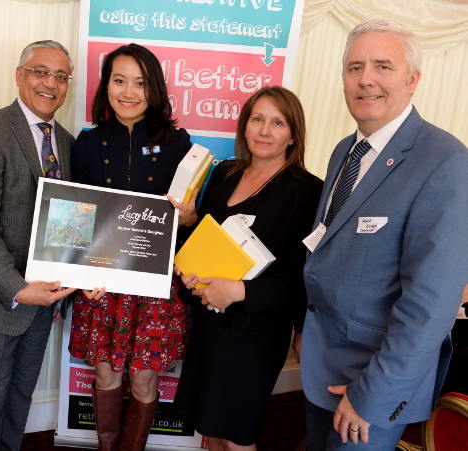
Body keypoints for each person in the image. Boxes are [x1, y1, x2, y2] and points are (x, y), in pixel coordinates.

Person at [300, 19, 468, 450]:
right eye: (354, 67)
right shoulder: (345, 150)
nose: (366, 79)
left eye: (383, 66)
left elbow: (430, 304)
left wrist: (372, 395)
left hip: (371, 389)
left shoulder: (445, 161)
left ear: (413, 80)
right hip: (323, 366)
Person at [171, 86, 322, 450]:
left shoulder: (308, 191)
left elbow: (303, 277)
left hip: (257, 330)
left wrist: (239, 291)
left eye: (277, 123)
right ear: (245, 125)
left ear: (293, 135)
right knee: (210, 426)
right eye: (257, 119)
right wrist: (189, 237)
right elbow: (205, 237)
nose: (265, 131)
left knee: (237, 432)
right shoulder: (225, 173)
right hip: (210, 320)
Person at [69, 43, 191, 451]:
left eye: (140, 83)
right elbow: (76, 218)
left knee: (143, 377)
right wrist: (78, 276)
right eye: (119, 81)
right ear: (106, 86)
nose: (128, 92)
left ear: (153, 88)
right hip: (101, 281)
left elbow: (187, 218)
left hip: (155, 284)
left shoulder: (177, 143)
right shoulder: (88, 143)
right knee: (105, 374)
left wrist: (188, 216)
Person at [0, 40, 76, 450]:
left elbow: (69, 224)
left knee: (18, 404)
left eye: (61, 76)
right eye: (41, 72)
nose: (51, 84)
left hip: (44, 304)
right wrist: (17, 288)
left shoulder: (68, 143)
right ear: (19, 75)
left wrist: (62, 286)